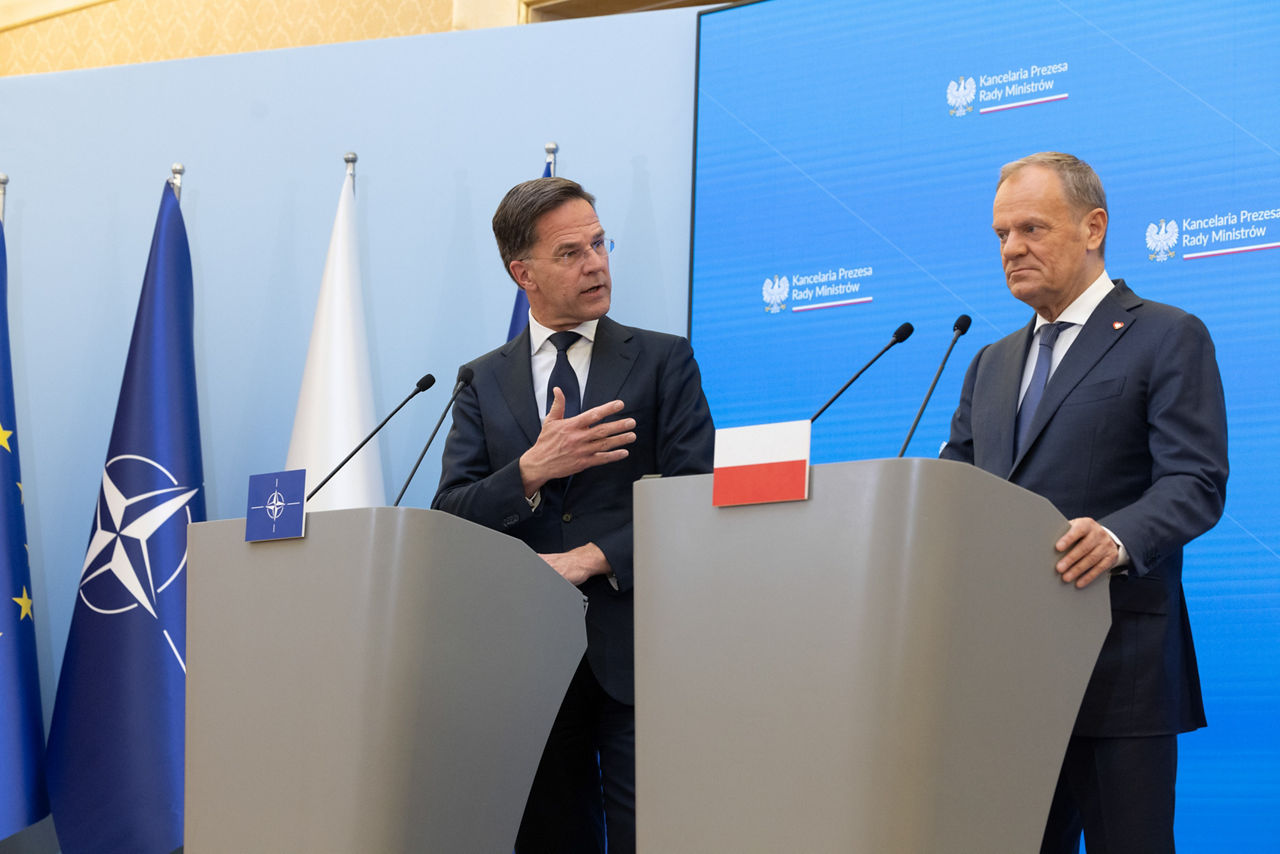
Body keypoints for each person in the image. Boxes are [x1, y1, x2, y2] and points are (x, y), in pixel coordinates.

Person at [940, 152, 1228, 854]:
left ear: (1093, 227)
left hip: (1117, 664)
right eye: (1002, 233)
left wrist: (1119, 538)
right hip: (1007, 678)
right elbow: (957, 484)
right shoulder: (990, 361)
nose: (1012, 249)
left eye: (1032, 228)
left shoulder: (1166, 335)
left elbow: (1195, 481)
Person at [432, 177, 715, 853]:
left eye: (598, 243)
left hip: (639, 652)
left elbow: (693, 492)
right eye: (570, 252)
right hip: (529, 659)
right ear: (521, 272)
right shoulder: (482, 379)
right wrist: (532, 469)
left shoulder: (660, 360)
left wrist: (593, 558)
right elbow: (451, 513)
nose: (595, 263)